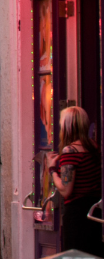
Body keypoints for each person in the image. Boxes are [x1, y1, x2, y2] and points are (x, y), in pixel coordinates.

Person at [51, 106, 104, 255]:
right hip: (94, 213)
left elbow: (66, 189)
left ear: (67, 127)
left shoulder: (70, 151)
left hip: (77, 214)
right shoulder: (95, 147)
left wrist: (52, 170)